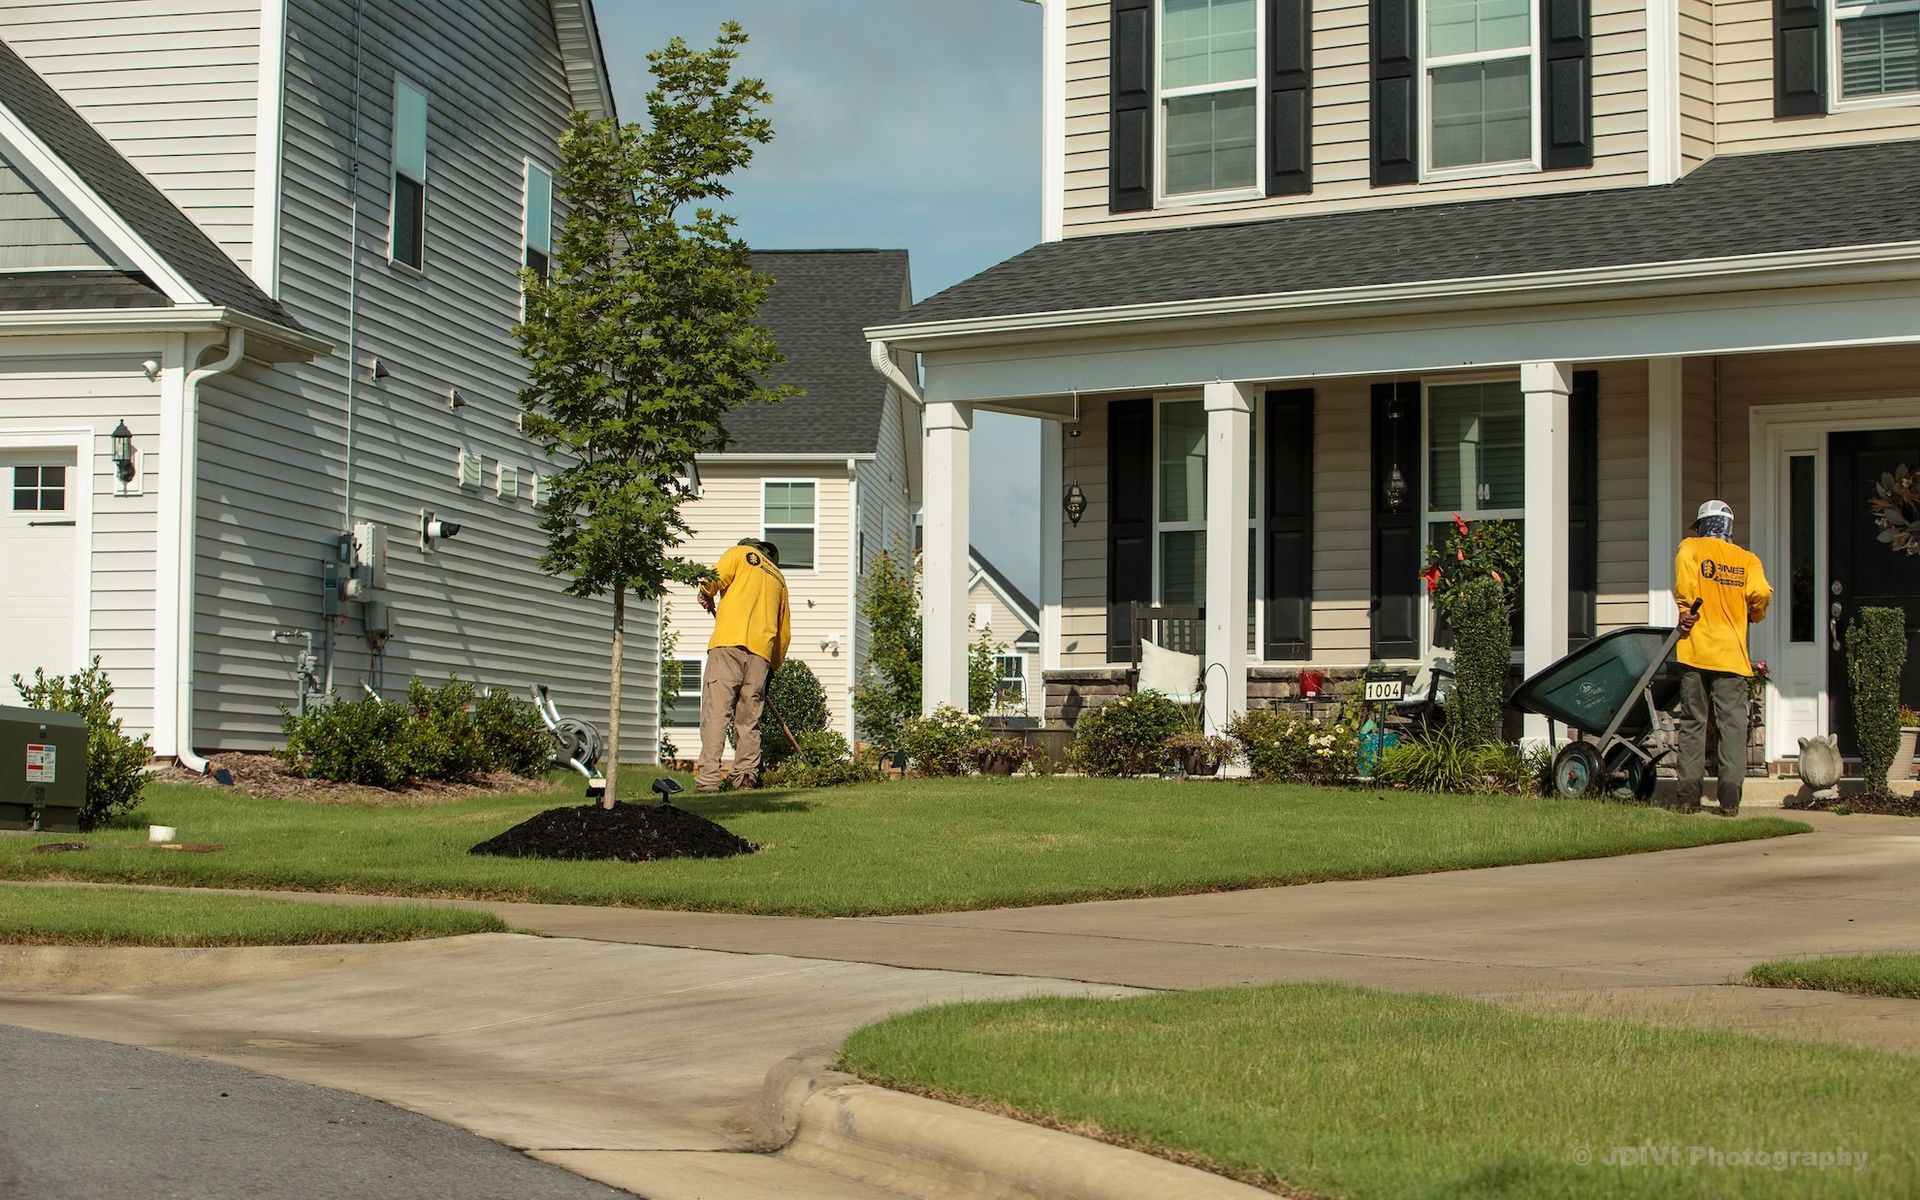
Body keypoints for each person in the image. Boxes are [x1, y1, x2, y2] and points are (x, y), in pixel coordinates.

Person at [1672, 499, 1771, 816]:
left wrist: (1686, 610)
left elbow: (1684, 586)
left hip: (1696, 651)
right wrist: (1753, 613)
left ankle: (1688, 798)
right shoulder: (1747, 560)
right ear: (1728, 527)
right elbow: (1762, 594)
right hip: (1731, 656)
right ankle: (1729, 802)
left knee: (1692, 725)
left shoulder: (1690, 548)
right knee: (1732, 728)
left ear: (1702, 526)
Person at [694, 538, 792, 793]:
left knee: (716, 714)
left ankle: (709, 781)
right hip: (761, 655)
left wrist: (705, 593)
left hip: (728, 645)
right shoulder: (778, 578)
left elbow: (711, 579)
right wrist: (772, 666)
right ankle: (746, 777)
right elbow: (784, 633)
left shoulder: (739, 554)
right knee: (748, 720)